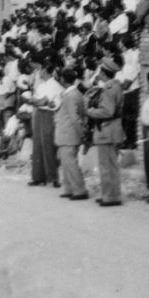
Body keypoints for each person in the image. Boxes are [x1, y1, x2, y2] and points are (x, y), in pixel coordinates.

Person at [86, 57, 125, 207]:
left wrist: (90, 111)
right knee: (112, 165)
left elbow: (107, 112)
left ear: (103, 73)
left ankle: (109, 196)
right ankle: (113, 195)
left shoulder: (108, 89)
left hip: (106, 130)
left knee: (105, 165)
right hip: (113, 129)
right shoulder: (116, 86)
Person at [54, 68, 89, 200]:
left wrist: (81, 133)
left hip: (68, 133)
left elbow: (74, 118)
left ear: (63, 80)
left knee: (71, 163)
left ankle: (80, 190)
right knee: (67, 163)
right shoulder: (77, 94)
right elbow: (82, 115)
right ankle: (70, 188)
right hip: (69, 133)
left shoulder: (69, 96)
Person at [27, 62, 64, 187]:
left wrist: (39, 102)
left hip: (49, 116)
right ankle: (38, 177)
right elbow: (34, 101)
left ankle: (53, 177)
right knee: (37, 145)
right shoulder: (41, 85)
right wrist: (40, 102)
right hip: (40, 114)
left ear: (46, 71)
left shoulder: (55, 85)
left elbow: (43, 101)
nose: (39, 72)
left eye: (40, 70)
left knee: (48, 144)